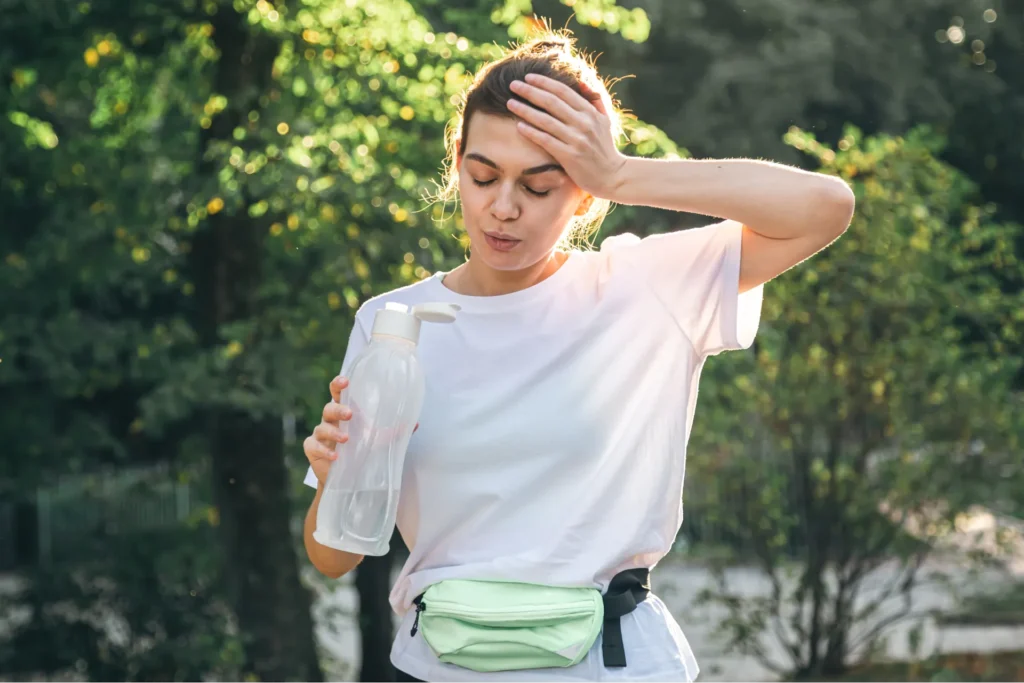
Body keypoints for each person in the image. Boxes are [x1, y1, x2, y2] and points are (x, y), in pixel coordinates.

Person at [302, 31, 855, 683]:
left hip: (612, 664)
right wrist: (336, 474)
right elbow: (333, 557)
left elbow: (825, 208)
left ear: (585, 195)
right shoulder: (394, 324)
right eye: (482, 177)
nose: (501, 208)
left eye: (538, 187)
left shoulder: (645, 288)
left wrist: (622, 171)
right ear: (456, 163)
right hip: (437, 664)